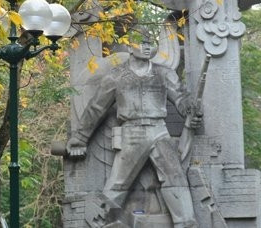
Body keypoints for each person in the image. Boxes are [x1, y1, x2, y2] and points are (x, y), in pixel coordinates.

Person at [66, 26, 200, 228]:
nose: (147, 47)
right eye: (142, 42)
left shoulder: (164, 74)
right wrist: (80, 138)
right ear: (130, 46)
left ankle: (187, 223)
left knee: (176, 177)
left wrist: (190, 109)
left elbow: (180, 98)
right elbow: (96, 108)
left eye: (150, 43)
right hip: (132, 132)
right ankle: (98, 221)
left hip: (159, 130)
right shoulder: (116, 76)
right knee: (118, 184)